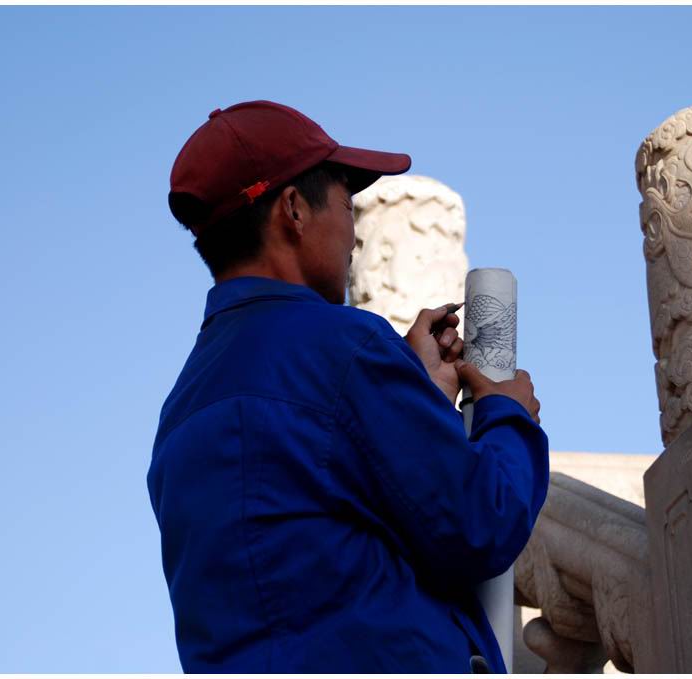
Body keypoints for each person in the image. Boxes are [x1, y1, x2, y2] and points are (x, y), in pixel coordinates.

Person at [146, 100, 549, 673]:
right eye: (346, 203)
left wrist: (419, 400)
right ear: (293, 210)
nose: (355, 237)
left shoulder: (181, 408)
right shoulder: (341, 347)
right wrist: (506, 412)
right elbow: (480, 524)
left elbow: (313, 546)